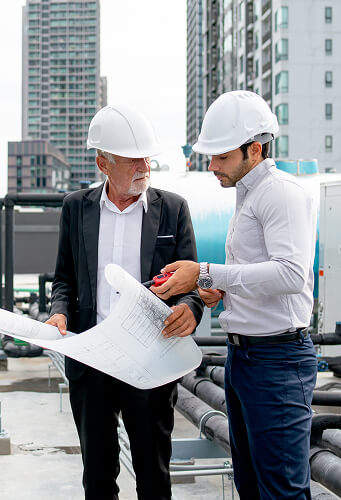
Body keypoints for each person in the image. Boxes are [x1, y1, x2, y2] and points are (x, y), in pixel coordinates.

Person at [151, 90, 318, 500]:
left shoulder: (280, 193)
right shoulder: (248, 195)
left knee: (281, 491)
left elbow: (292, 274)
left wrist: (204, 273)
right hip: (246, 358)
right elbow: (261, 274)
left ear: (254, 150)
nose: (212, 167)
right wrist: (219, 289)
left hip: (277, 361)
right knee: (251, 484)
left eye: (221, 157)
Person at [45, 104, 204, 499]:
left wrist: (191, 309)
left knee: (153, 476)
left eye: (146, 158)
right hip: (93, 360)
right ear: (103, 162)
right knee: (97, 478)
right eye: (132, 160)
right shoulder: (75, 208)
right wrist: (58, 313)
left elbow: (191, 284)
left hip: (149, 362)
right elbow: (64, 278)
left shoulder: (172, 209)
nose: (143, 167)